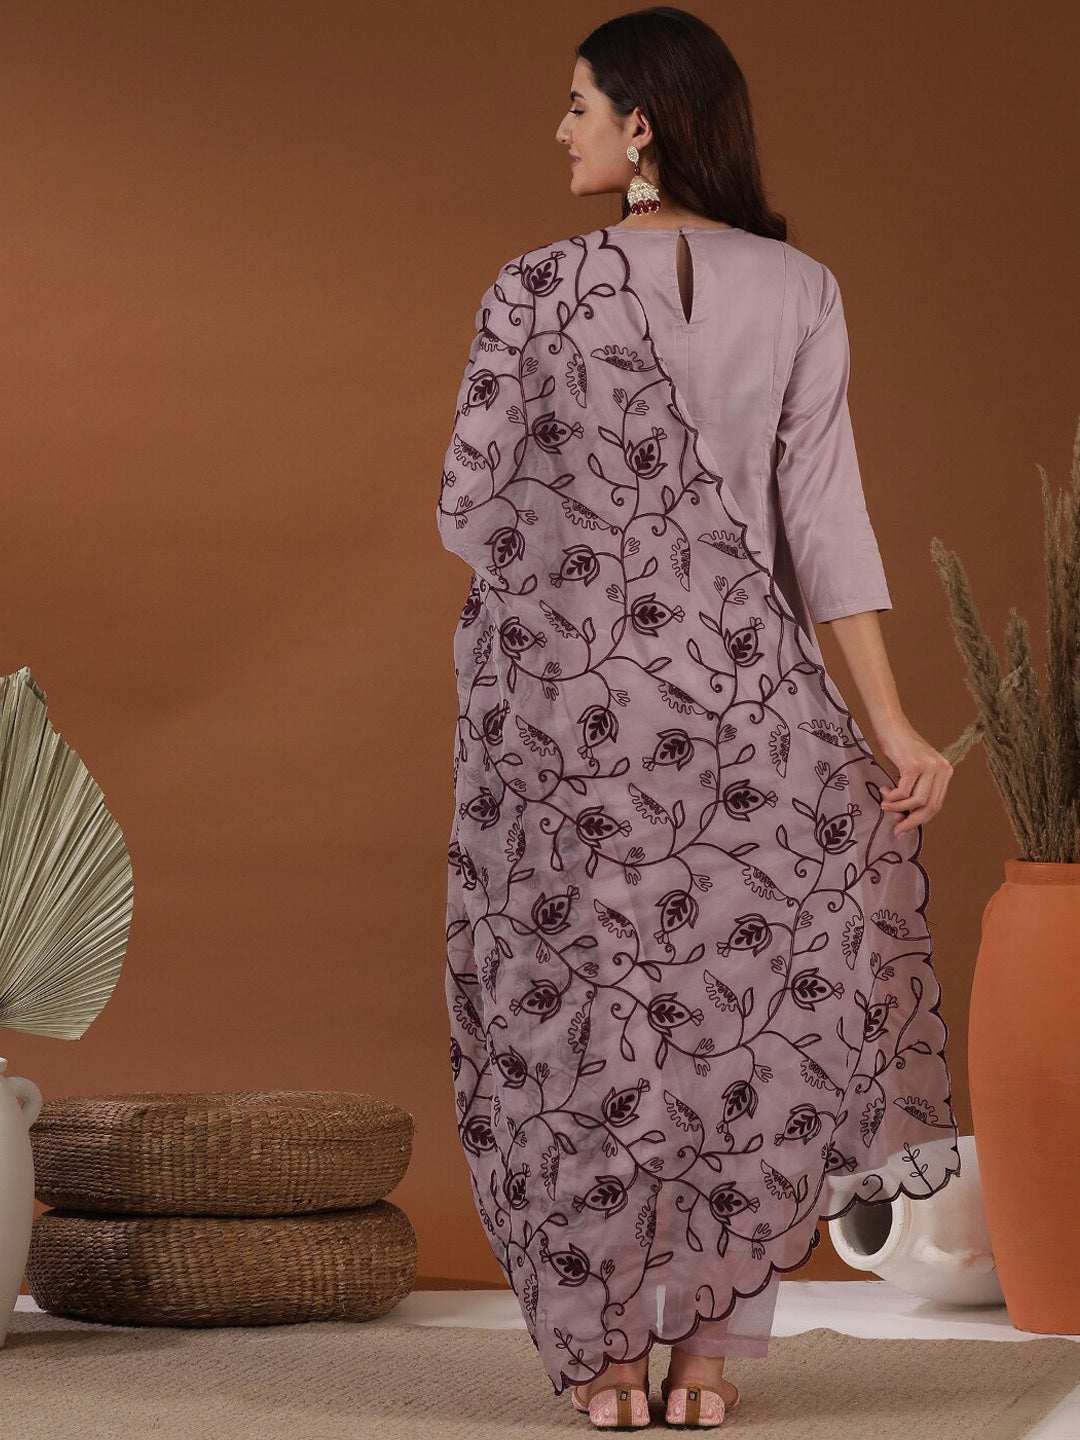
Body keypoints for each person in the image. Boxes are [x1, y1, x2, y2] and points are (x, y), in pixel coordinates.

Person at [436, 7, 961, 1429]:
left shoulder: (535, 289)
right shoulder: (803, 290)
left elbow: (474, 511)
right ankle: (710, 1361)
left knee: (594, 1029)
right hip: (750, 714)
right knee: (745, 1030)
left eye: (578, 104)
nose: (561, 129)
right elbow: (826, 522)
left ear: (644, 124)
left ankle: (608, 1356)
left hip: (578, 725)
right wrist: (895, 726)